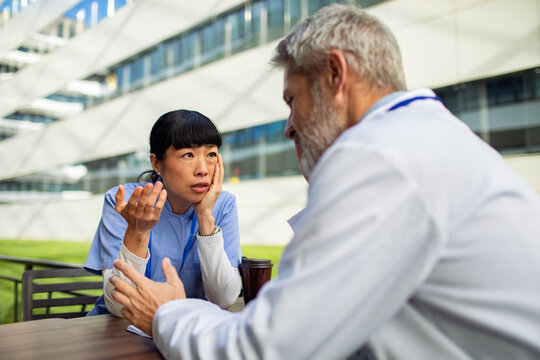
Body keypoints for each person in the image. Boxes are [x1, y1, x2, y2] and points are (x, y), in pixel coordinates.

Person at [110, 5, 540, 359]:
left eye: (293, 101)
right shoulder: (427, 140)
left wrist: (167, 313)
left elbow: (269, 348)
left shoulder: (377, 154)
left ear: (335, 74)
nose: (289, 128)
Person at [84, 109, 242, 316]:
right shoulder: (124, 202)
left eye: (211, 154)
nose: (203, 169)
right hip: (118, 332)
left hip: (184, 332)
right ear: (156, 163)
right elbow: (119, 306)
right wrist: (137, 231)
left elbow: (223, 299)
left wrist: (205, 218)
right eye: (188, 155)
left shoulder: (224, 204)